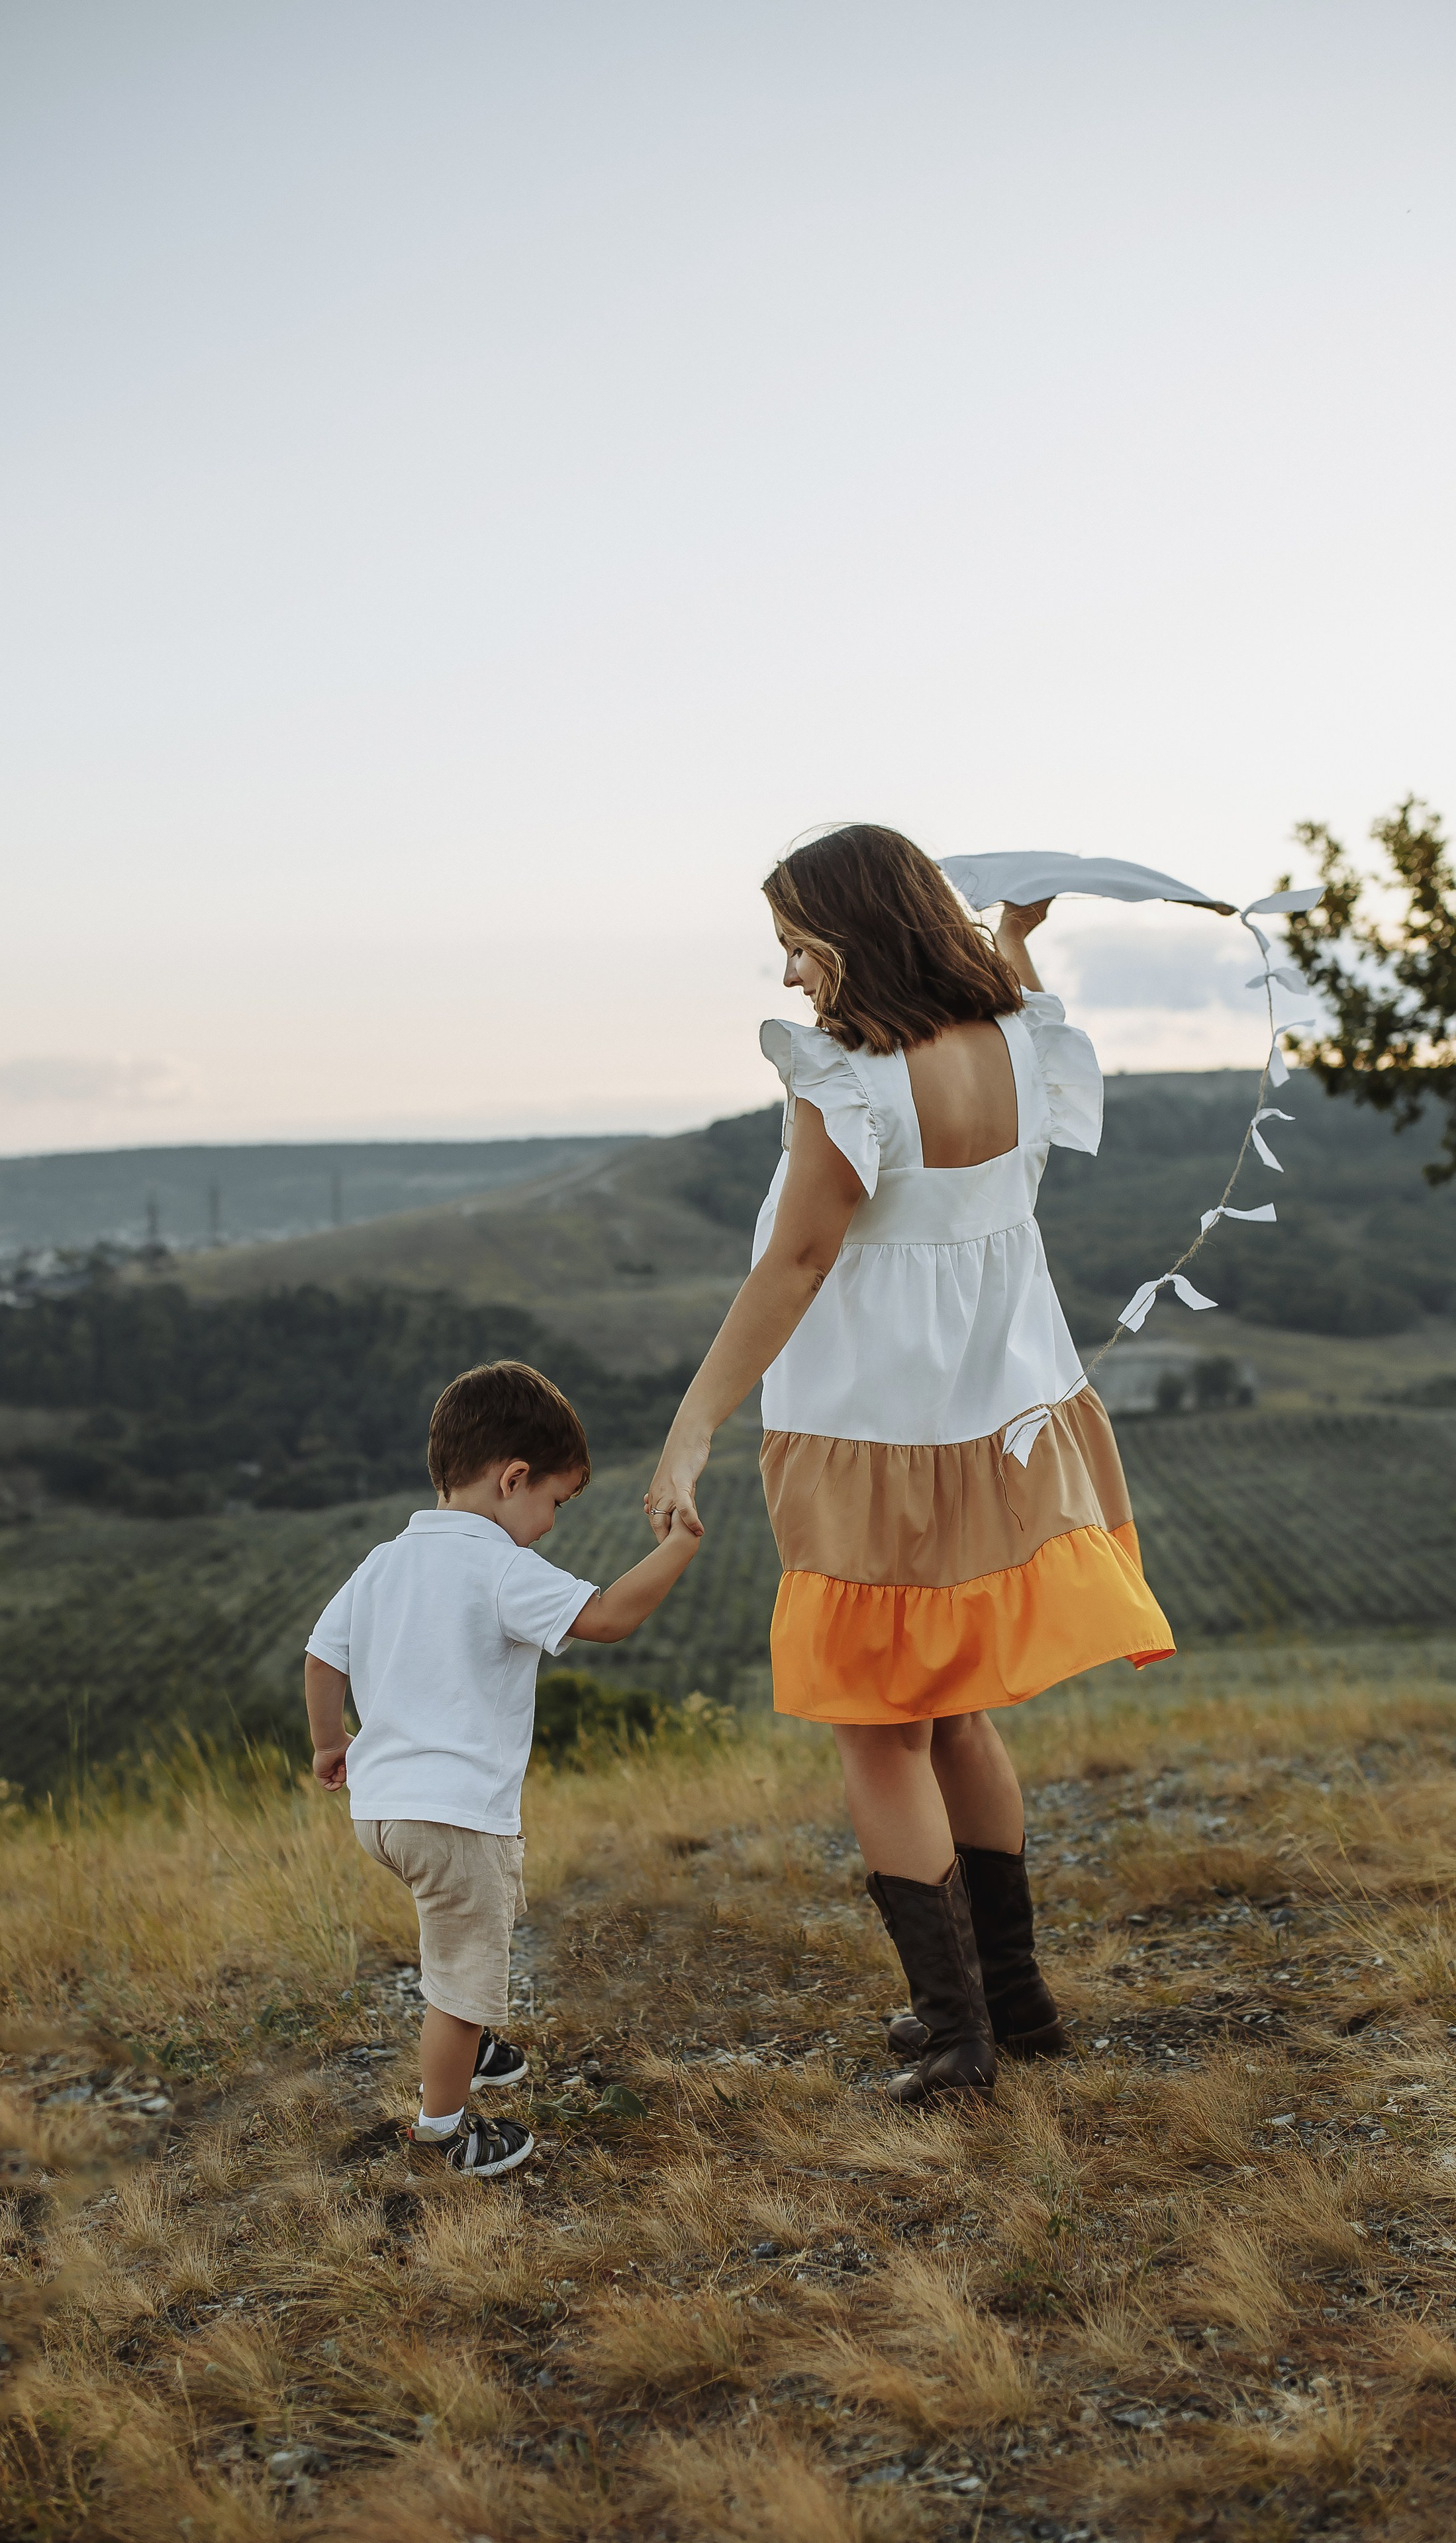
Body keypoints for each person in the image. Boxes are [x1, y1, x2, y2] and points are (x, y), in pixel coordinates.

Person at [645, 825, 1173, 2106]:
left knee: (879, 1731)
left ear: (854, 936)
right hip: (1002, 1424)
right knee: (959, 1714)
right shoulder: (1016, 1037)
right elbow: (997, 1065)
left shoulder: (845, 1077)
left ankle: (957, 2044)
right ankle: (1018, 2003)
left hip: (875, 1438)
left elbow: (799, 1265)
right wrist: (1017, 944)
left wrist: (695, 1420)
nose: (788, 981)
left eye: (796, 948)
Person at [305, 1359, 701, 2177]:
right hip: (452, 1815)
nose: (551, 1523)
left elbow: (321, 1656)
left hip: (383, 1810)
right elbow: (609, 1618)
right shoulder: (498, 1566)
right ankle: (445, 2132)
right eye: (553, 1501)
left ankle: (471, 2047)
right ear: (512, 1477)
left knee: (470, 1917)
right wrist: (680, 1545)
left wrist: (329, 1744)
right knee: (463, 1977)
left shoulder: (383, 1560)